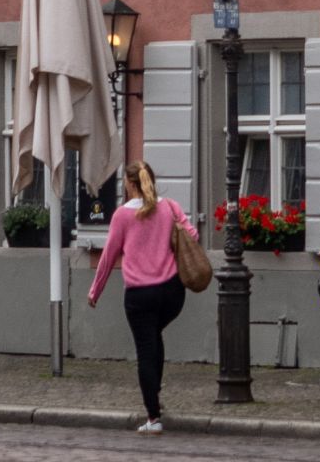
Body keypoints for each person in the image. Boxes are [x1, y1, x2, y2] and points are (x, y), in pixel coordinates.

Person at [87, 160, 198, 436]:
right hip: (172, 292)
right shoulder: (169, 207)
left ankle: (153, 416)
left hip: (140, 295)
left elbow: (108, 256)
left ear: (129, 183)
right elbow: (193, 235)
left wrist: (95, 291)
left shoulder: (122, 216)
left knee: (146, 350)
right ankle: (155, 393)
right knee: (154, 338)